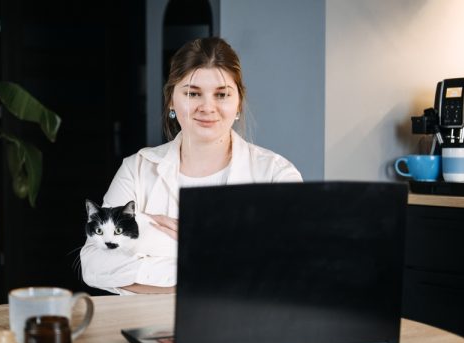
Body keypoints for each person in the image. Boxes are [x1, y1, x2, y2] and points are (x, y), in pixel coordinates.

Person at [81, 37, 302, 295]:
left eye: (221, 94)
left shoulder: (277, 175)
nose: (207, 107)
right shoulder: (137, 169)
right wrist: (207, 274)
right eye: (192, 93)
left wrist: (200, 245)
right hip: (150, 329)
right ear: (171, 101)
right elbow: (94, 264)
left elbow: (290, 268)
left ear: (238, 102)